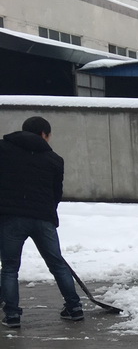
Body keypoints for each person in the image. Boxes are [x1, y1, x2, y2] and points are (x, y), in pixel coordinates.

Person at [0, 116, 84, 328]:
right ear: (44, 134)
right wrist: (46, 211)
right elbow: (56, 193)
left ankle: (12, 315)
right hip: (43, 218)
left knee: (10, 268)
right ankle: (74, 307)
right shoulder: (54, 159)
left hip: (11, 218)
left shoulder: (3, 150)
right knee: (57, 264)